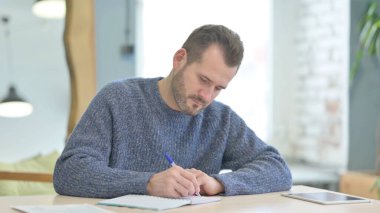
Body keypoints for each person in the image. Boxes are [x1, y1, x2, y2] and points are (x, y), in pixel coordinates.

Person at [53, 24, 292, 199]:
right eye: (203, 79)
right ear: (180, 59)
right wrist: (147, 183)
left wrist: (219, 182)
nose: (207, 96)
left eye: (218, 88)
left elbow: (277, 169)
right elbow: (69, 172)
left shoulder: (220, 119)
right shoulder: (118, 99)